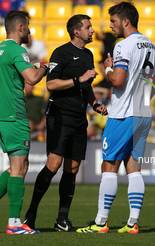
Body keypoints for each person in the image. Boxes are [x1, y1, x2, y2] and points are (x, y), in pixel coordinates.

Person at [77, 2, 155, 234]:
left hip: (123, 114)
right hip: (143, 114)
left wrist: (107, 69)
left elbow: (118, 81)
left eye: (113, 21)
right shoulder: (153, 46)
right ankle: (133, 224)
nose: (110, 26)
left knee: (109, 165)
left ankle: (100, 223)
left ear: (125, 21)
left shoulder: (123, 45)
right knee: (133, 168)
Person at [23, 14, 108, 232]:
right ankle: (30, 215)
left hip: (80, 117)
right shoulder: (61, 53)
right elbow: (51, 84)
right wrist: (78, 79)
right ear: (76, 31)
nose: (92, 31)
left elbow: (86, 87)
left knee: (73, 168)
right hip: (60, 115)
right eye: (88, 27)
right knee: (53, 165)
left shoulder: (89, 55)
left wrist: (95, 103)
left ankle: (62, 219)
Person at [0, 10, 48, 235]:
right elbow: (32, 79)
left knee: (19, 166)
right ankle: (14, 223)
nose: (30, 31)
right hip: (14, 114)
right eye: (28, 27)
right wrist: (45, 66)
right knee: (19, 168)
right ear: (20, 28)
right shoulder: (17, 50)